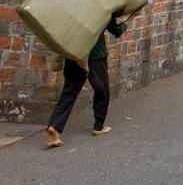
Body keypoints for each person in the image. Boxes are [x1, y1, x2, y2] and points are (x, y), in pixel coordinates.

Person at [46, 15, 128, 148]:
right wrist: (126, 23)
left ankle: (54, 127)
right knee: (102, 90)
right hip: (95, 54)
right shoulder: (104, 7)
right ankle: (98, 126)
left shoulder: (74, 7)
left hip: (74, 52)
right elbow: (116, 30)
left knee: (70, 91)